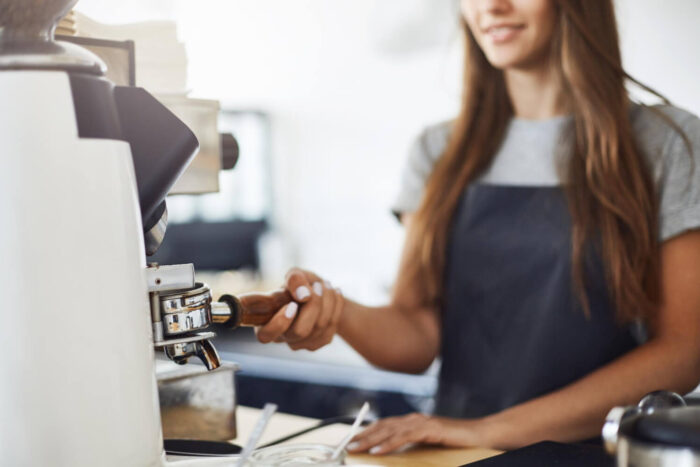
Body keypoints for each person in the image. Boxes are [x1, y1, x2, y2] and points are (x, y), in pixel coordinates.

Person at [255, 0, 700, 454]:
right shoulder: (440, 151)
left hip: (598, 454)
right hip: (462, 455)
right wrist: (335, 310)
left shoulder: (669, 144)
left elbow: (684, 351)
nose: (492, 7)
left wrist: (489, 430)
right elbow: (417, 335)